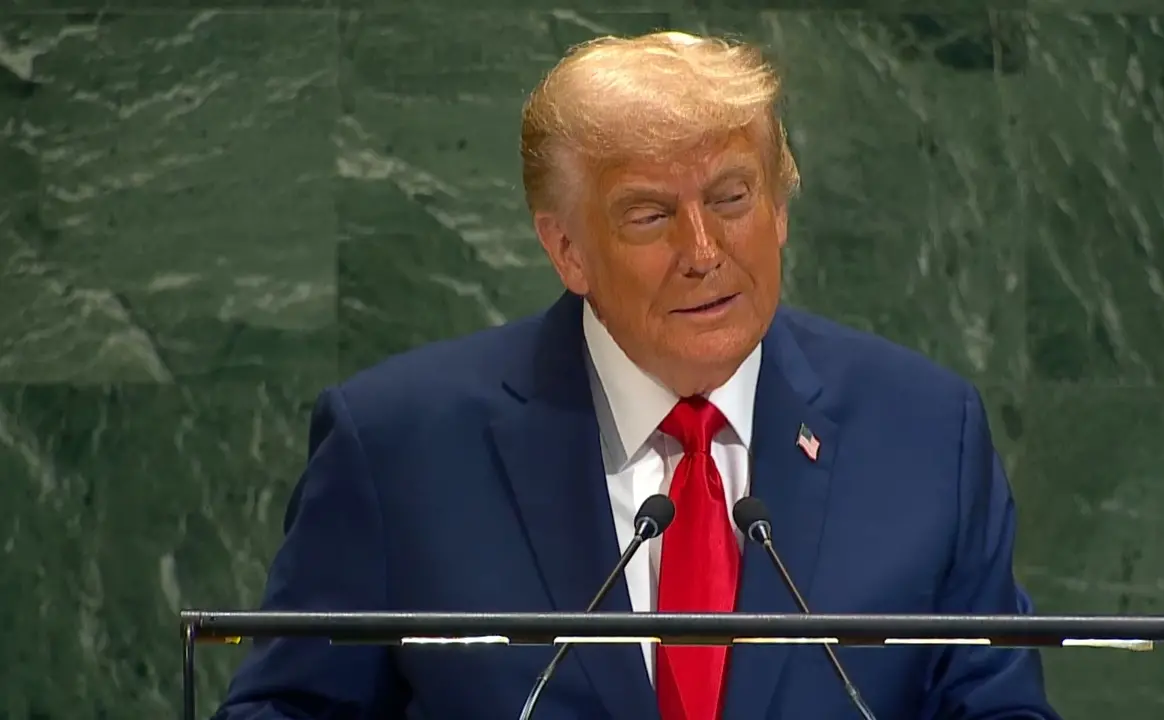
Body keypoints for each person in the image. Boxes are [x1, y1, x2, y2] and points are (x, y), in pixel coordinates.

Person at [214, 31, 1060, 720]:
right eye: (651, 215)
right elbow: (285, 709)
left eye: (731, 198)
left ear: (780, 208)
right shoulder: (400, 448)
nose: (703, 252)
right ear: (567, 249)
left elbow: (998, 709)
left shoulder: (925, 433)